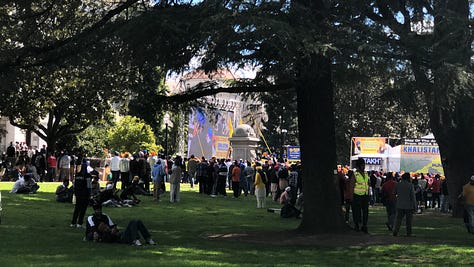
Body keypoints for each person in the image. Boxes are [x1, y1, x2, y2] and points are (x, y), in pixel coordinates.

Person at [85, 203, 156, 246]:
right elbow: (93, 230)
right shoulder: (91, 218)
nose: (99, 211)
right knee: (133, 222)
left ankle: (148, 238)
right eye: (97, 210)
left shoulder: (105, 216)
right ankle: (135, 240)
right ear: (94, 211)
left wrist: (113, 229)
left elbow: (113, 226)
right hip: (119, 239)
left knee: (137, 221)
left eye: (99, 209)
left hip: (118, 235)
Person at [71, 157, 91, 228]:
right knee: (83, 210)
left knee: (77, 209)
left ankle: (73, 222)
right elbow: (89, 186)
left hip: (78, 193)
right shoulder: (87, 175)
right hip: (85, 194)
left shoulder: (77, 175)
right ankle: (79, 223)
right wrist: (89, 194)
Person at [351, 158, 370, 233]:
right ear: (359, 166)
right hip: (357, 195)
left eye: (364, 165)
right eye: (362, 165)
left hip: (365, 195)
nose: (364, 166)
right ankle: (357, 225)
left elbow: (367, 183)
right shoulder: (355, 174)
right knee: (357, 211)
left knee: (365, 211)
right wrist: (351, 196)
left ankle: (364, 225)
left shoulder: (366, 173)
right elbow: (352, 185)